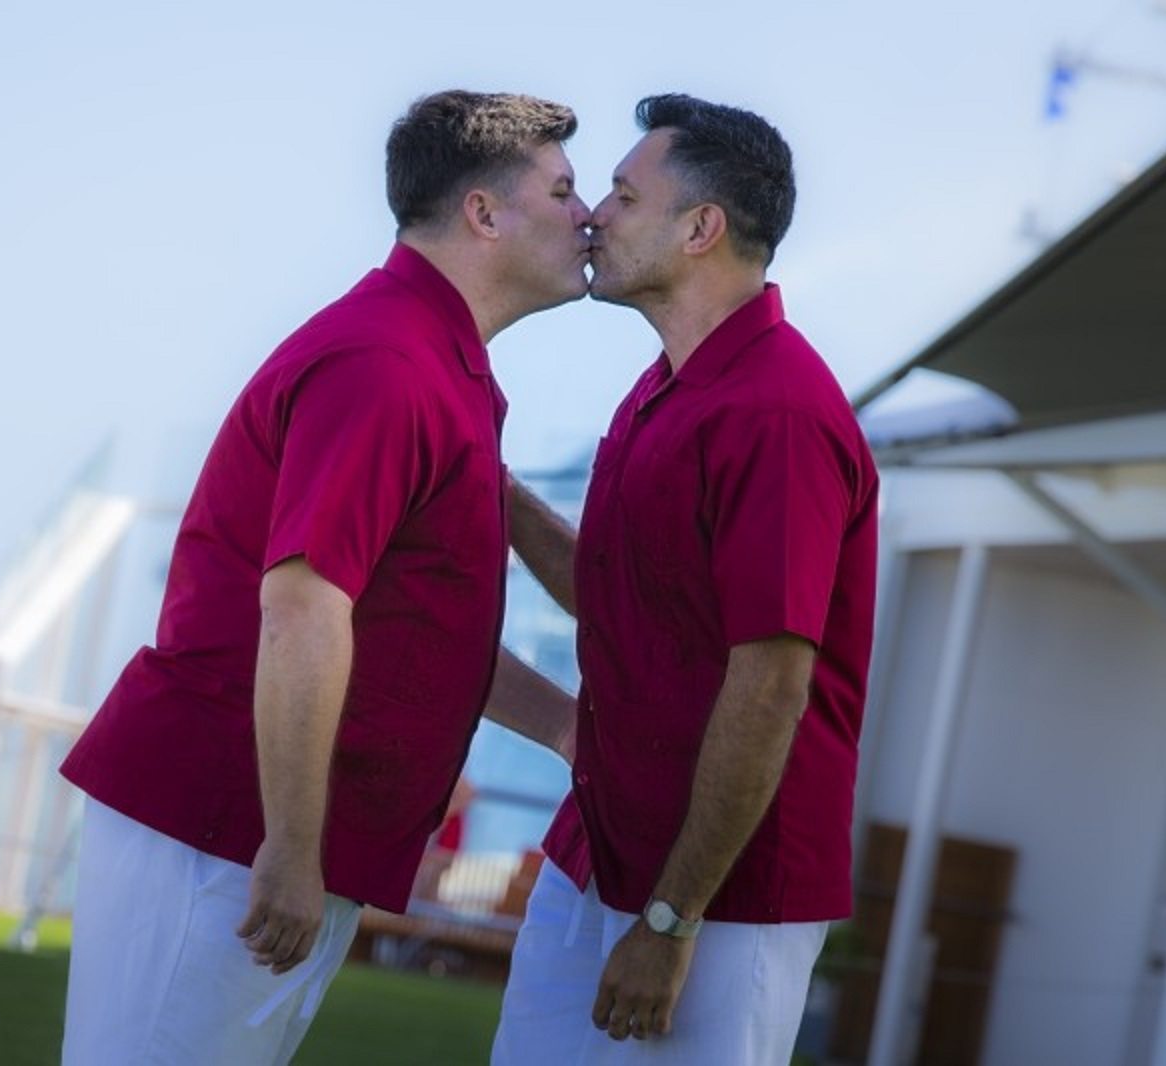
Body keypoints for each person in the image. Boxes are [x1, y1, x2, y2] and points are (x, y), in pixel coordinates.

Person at [56, 90, 592, 1065]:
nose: (585, 214)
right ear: (482, 212)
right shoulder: (387, 364)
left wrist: (562, 725)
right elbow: (303, 610)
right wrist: (293, 846)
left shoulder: (439, 366)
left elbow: (415, 636)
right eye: (562, 190)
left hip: (264, 835)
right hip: (226, 830)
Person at [490, 94, 880, 1065]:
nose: (593, 216)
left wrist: (669, 920)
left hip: (719, 898)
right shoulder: (665, 385)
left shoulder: (776, 413)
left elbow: (771, 683)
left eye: (623, 195)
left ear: (700, 228)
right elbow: (622, 602)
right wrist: (487, 491)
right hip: (597, 852)